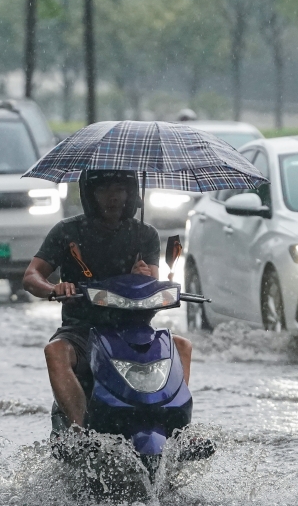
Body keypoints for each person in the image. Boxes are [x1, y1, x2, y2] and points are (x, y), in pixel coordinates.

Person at [22, 169, 193, 428]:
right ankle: (80, 431)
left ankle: (178, 425)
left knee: (181, 346)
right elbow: (31, 276)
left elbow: (153, 289)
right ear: (89, 194)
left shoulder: (145, 234)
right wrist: (54, 288)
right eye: (103, 190)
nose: (112, 197)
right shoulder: (67, 231)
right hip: (82, 329)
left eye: (119, 189)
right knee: (55, 351)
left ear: (130, 193)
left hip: (134, 329)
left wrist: (143, 277)